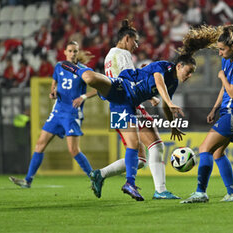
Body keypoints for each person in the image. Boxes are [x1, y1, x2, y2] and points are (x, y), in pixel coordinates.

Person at [61, 50, 197, 201]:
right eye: (189, 71)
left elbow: (165, 105)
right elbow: (158, 81)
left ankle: (104, 175)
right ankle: (77, 68)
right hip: (120, 95)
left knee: (147, 154)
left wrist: (173, 125)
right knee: (90, 78)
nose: (190, 75)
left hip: (134, 104)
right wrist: (167, 101)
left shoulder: (173, 82)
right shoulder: (163, 66)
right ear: (179, 66)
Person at [89, 19, 179, 200]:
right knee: (155, 146)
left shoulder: (110, 55)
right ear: (127, 38)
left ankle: (100, 174)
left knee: (140, 160)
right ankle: (159, 190)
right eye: (135, 41)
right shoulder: (121, 54)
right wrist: (150, 96)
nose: (136, 46)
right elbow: (128, 81)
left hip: (120, 104)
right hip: (126, 104)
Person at [180, 25, 233, 203]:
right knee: (218, 152)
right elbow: (225, 89)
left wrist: (221, 76)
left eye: (222, 49)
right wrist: (214, 108)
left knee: (205, 148)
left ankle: (200, 192)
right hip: (229, 112)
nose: (220, 53)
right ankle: (232, 193)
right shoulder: (228, 59)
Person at [9, 41, 97, 188]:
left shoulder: (84, 70)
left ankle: (94, 178)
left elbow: (98, 89)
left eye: (75, 51)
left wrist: (83, 97)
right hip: (57, 112)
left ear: (77, 52)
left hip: (72, 114)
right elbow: (54, 83)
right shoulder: (59, 66)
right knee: (39, 145)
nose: (73, 53)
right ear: (65, 52)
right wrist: (53, 91)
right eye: (70, 51)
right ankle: (28, 180)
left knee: (73, 150)